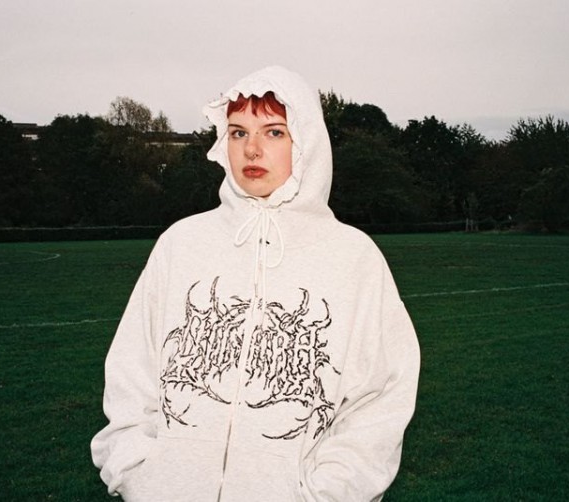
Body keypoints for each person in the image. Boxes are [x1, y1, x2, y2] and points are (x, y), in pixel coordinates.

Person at [91, 66, 421, 501]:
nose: (251, 149)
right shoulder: (181, 244)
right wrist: (138, 473)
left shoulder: (353, 257)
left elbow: (381, 398)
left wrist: (324, 493)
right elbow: (131, 373)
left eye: (274, 132)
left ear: (305, 141)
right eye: (238, 132)